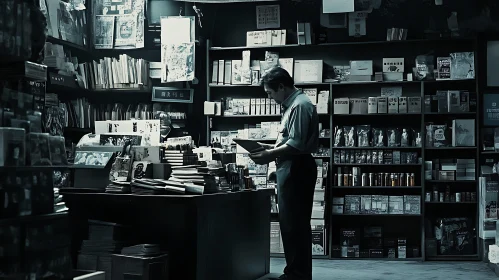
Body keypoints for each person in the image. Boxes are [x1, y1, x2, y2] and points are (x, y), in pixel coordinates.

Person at [249, 67, 319, 280]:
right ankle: (296, 272)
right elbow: (290, 140)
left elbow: (296, 144)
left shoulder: (299, 105)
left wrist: (269, 154)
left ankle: (298, 274)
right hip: (292, 165)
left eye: (270, 93)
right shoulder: (294, 105)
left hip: (296, 166)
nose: (269, 98)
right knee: (291, 223)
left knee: (294, 224)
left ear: (281, 86)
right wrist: (268, 149)